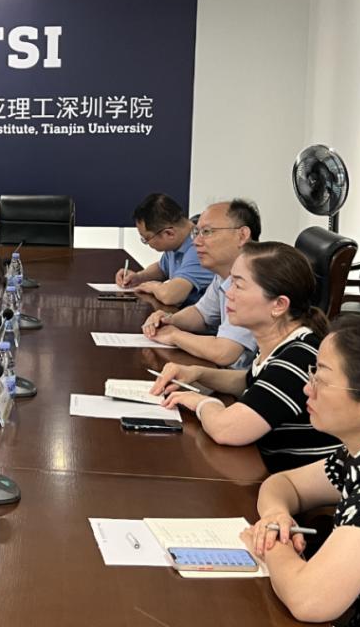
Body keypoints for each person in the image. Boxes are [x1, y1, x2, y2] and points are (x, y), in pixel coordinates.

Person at [241, 314, 360, 626]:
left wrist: (272, 544)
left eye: (321, 379)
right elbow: (284, 484)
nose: (307, 388)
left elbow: (309, 601)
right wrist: (275, 516)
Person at [151, 242, 339, 472]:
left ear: (279, 305)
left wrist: (199, 401)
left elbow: (226, 430)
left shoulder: (298, 359)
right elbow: (253, 381)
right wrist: (197, 373)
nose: (228, 293)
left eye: (238, 286)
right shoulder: (283, 343)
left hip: (296, 485)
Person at [142, 198, 260, 368]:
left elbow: (224, 352)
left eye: (207, 232)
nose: (196, 241)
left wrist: (174, 335)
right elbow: (201, 314)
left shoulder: (255, 280)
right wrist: (169, 320)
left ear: (242, 235)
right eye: (196, 233)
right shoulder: (224, 275)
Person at [114, 193, 214, 307]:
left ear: (169, 233)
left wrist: (154, 287)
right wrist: (139, 277)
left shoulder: (200, 246)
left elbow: (171, 296)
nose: (147, 243)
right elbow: (162, 268)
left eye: (147, 238)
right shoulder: (178, 241)